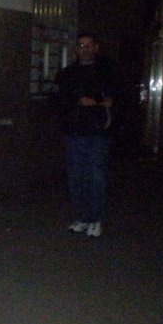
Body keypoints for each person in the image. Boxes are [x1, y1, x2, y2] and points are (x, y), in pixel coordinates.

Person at [55, 33, 120, 237]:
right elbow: (57, 101)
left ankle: (95, 219)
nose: (85, 49)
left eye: (89, 45)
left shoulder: (108, 70)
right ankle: (82, 217)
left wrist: (110, 101)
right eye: (81, 45)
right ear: (76, 49)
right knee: (76, 176)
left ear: (96, 47)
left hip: (99, 130)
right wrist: (77, 102)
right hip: (74, 131)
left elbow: (121, 95)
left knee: (95, 175)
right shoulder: (67, 74)